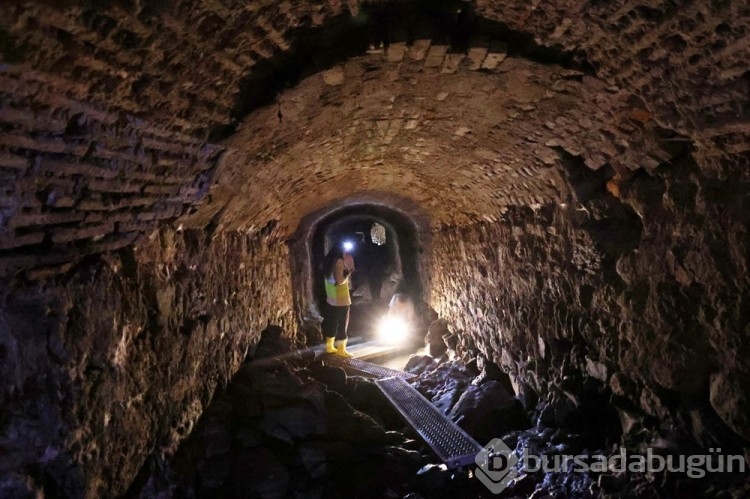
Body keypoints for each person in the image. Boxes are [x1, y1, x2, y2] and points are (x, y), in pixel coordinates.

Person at [322, 245, 353, 357]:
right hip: (341, 299)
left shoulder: (328, 260)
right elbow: (340, 280)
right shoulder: (339, 261)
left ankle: (329, 346)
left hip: (331, 298)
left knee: (332, 322)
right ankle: (341, 349)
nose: (345, 252)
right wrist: (347, 274)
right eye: (344, 250)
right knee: (342, 324)